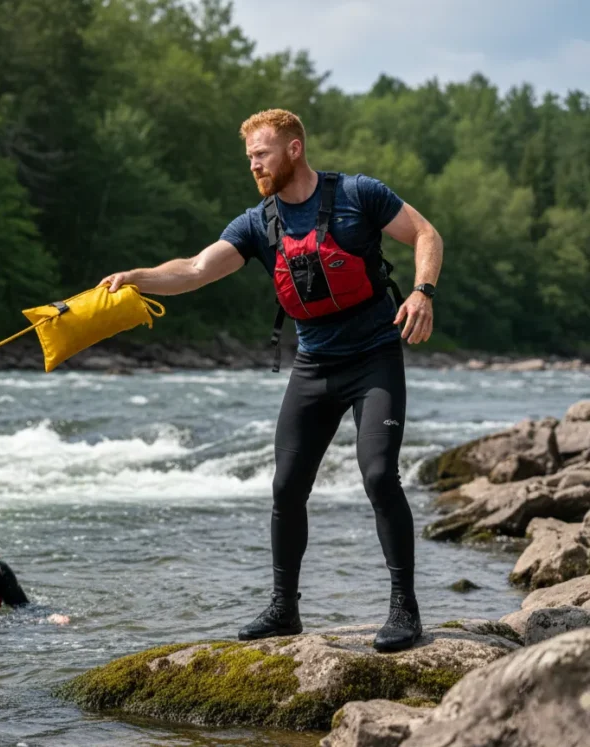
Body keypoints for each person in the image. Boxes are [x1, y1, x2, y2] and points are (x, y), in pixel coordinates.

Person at [99, 109, 443, 652]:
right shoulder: (257, 223)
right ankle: (285, 611)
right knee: (285, 487)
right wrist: (136, 277)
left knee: (378, 475)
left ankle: (405, 610)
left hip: (374, 357)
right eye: (250, 158)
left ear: (294, 149)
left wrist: (423, 292)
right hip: (313, 366)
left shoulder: (360, 194)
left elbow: (425, 234)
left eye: (261, 154)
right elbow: (194, 269)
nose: (254, 165)